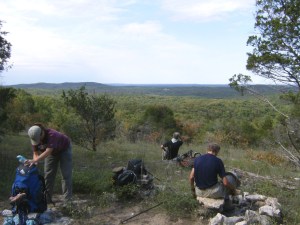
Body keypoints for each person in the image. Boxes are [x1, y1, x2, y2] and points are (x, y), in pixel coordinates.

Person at [26, 123, 72, 203]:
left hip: (64, 149)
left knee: (66, 175)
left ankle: (67, 201)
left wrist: (35, 160)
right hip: (51, 153)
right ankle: (46, 199)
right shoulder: (34, 136)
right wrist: (35, 162)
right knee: (48, 175)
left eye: (39, 139)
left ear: (42, 133)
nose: (39, 141)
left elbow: (48, 151)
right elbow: (36, 152)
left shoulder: (52, 135)